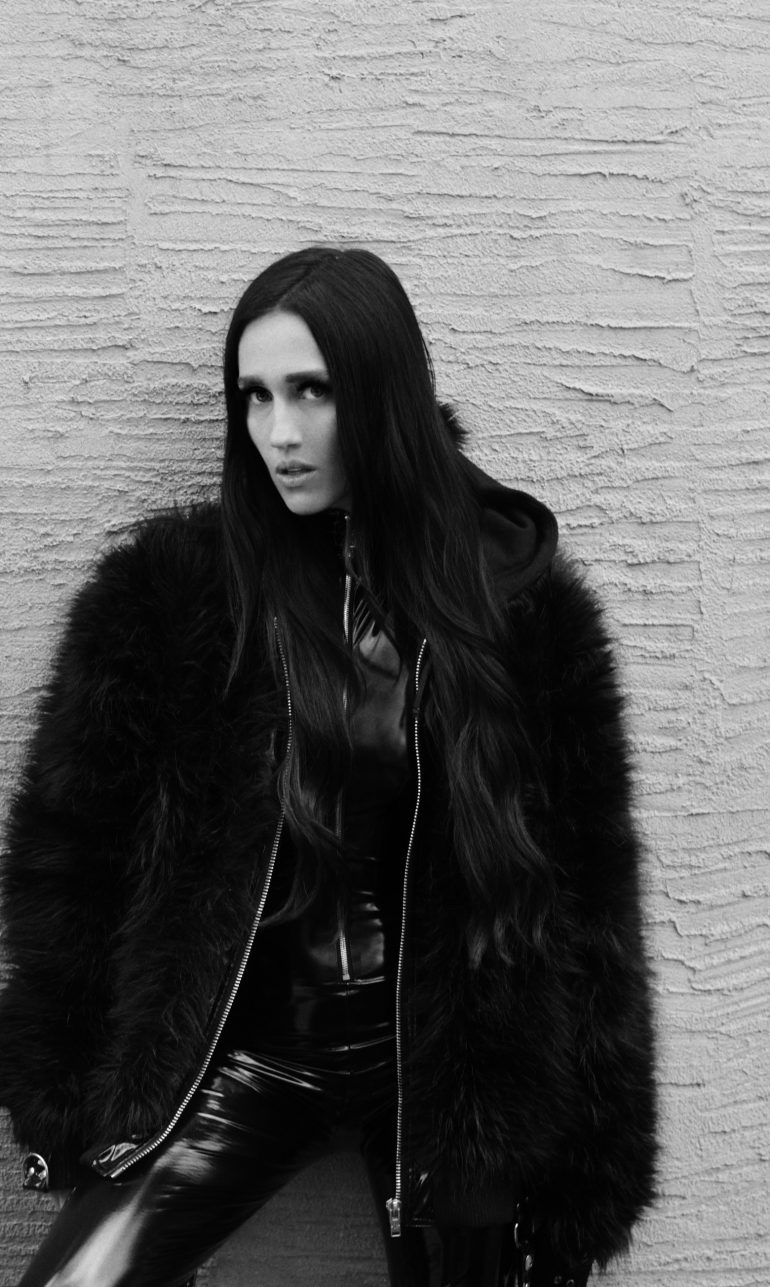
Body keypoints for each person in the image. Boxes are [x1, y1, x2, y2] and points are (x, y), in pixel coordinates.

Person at [0, 247, 657, 1287]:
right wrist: (61, 1093)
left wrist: (593, 1164)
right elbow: (69, 862)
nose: (278, 433)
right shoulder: (169, 599)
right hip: (245, 1061)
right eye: (254, 395)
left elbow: (590, 895)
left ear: (382, 395)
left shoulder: (516, 610)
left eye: (312, 391)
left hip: (451, 1080)